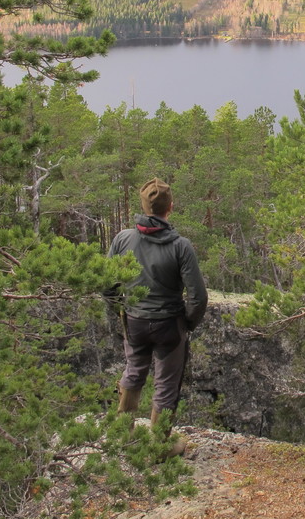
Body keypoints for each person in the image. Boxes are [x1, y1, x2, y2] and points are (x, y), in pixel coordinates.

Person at [107, 177, 208, 455]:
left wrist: (123, 309)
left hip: (135, 322)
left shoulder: (122, 239)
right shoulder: (181, 246)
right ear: (170, 207)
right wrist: (187, 323)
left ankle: (123, 435)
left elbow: (106, 284)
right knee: (166, 384)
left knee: (133, 371)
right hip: (169, 326)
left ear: (143, 206)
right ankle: (161, 445)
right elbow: (198, 297)